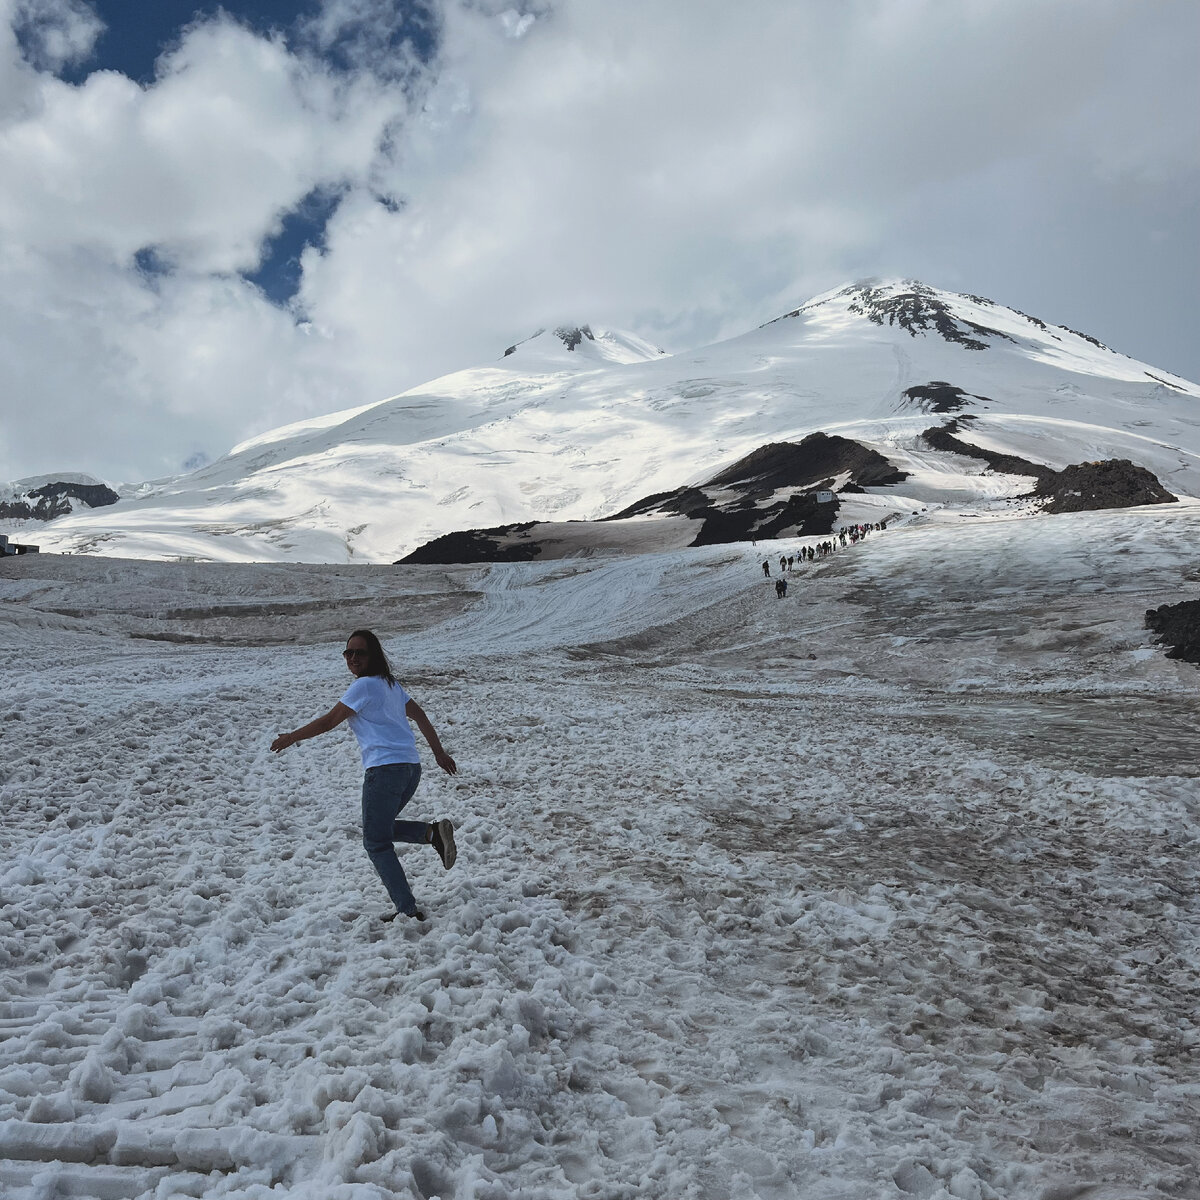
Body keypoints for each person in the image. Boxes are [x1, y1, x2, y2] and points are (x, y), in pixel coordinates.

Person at [270, 629, 458, 923]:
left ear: (374, 656)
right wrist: (437, 752)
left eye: (360, 652)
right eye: (349, 653)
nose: (353, 658)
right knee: (379, 829)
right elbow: (419, 715)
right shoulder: (390, 685)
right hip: (410, 769)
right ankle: (431, 834)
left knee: (375, 842)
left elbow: (330, 720)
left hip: (384, 771)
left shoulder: (364, 687)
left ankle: (407, 910)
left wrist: (293, 736)